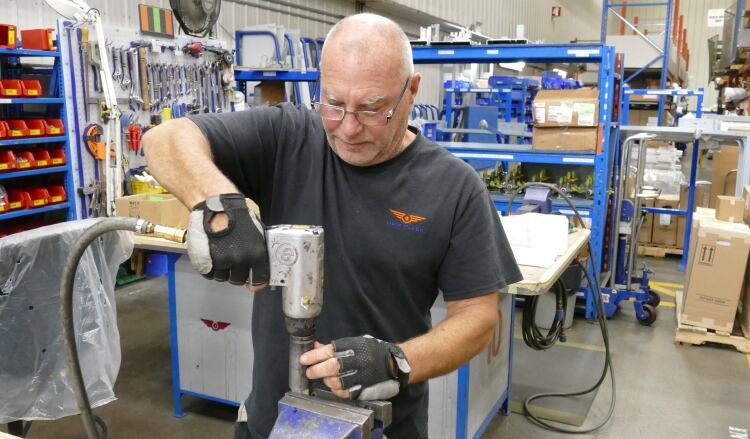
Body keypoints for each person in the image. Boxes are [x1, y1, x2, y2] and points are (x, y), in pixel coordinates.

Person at [142, 13, 521, 439]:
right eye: (334, 104)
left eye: (373, 109)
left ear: (411, 91)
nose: (349, 127)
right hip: (272, 422)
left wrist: (396, 360)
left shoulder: (455, 187)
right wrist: (221, 205)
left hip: (384, 428)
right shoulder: (287, 138)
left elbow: (477, 316)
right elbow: (164, 140)